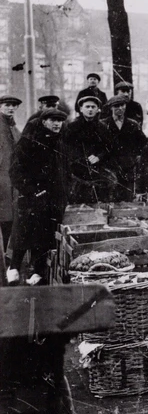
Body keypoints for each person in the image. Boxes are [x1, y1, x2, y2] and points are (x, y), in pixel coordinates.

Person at [8, 108, 68, 285]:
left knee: (46, 235)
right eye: (52, 120)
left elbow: (65, 171)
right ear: (43, 122)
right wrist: (32, 191)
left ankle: (38, 270)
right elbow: (15, 171)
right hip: (32, 198)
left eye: (60, 120)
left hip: (54, 199)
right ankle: (14, 267)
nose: (57, 124)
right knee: (23, 233)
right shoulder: (28, 142)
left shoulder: (60, 143)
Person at [63, 94, 114, 203]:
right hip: (76, 171)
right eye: (87, 107)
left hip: (98, 169)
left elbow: (109, 148)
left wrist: (99, 157)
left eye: (93, 107)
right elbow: (67, 147)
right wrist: (80, 159)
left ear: (98, 109)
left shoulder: (103, 128)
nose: (90, 109)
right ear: (81, 109)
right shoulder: (72, 127)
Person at [101, 94, 146, 201]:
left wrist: (138, 156)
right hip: (109, 166)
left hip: (128, 166)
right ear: (111, 107)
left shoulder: (132, 124)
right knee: (110, 197)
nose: (120, 108)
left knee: (128, 197)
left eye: (122, 105)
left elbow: (143, 143)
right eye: (117, 106)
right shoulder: (103, 124)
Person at [0, 95, 22, 250]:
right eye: (7, 105)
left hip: (11, 180)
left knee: (9, 219)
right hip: (2, 179)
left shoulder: (13, 127)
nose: (11, 108)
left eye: (14, 106)